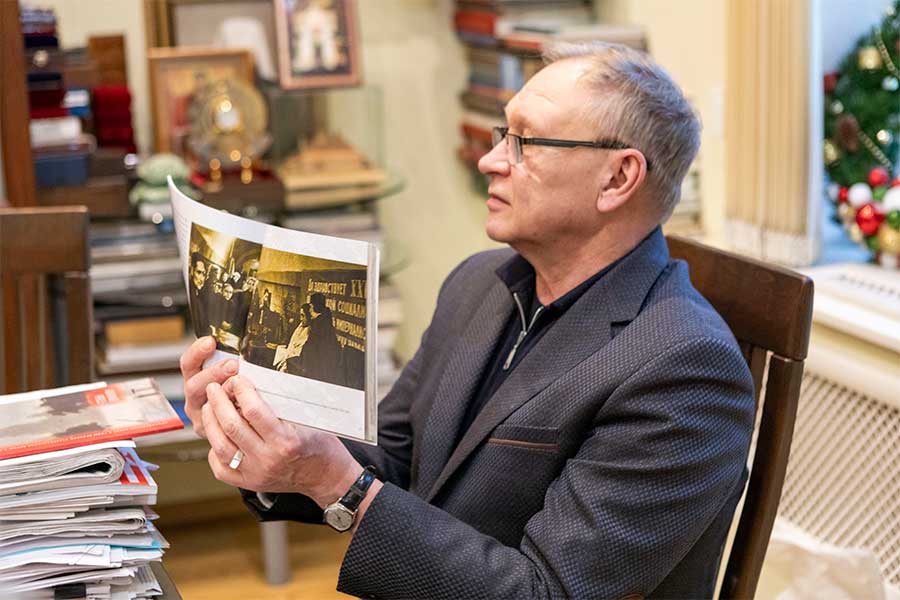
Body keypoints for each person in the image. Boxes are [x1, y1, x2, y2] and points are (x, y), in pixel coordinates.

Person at [179, 42, 755, 599]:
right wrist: (269, 431)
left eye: (525, 142)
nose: (490, 160)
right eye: (503, 134)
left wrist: (335, 484)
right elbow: (394, 452)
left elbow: (546, 592)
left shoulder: (685, 370)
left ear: (617, 178)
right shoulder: (479, 283)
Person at [187, 254, 212, 337]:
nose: (202, 279)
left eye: (204, 274)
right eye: (198, 272)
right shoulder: (190, 293)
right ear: (191, 271)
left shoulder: (200, 293)